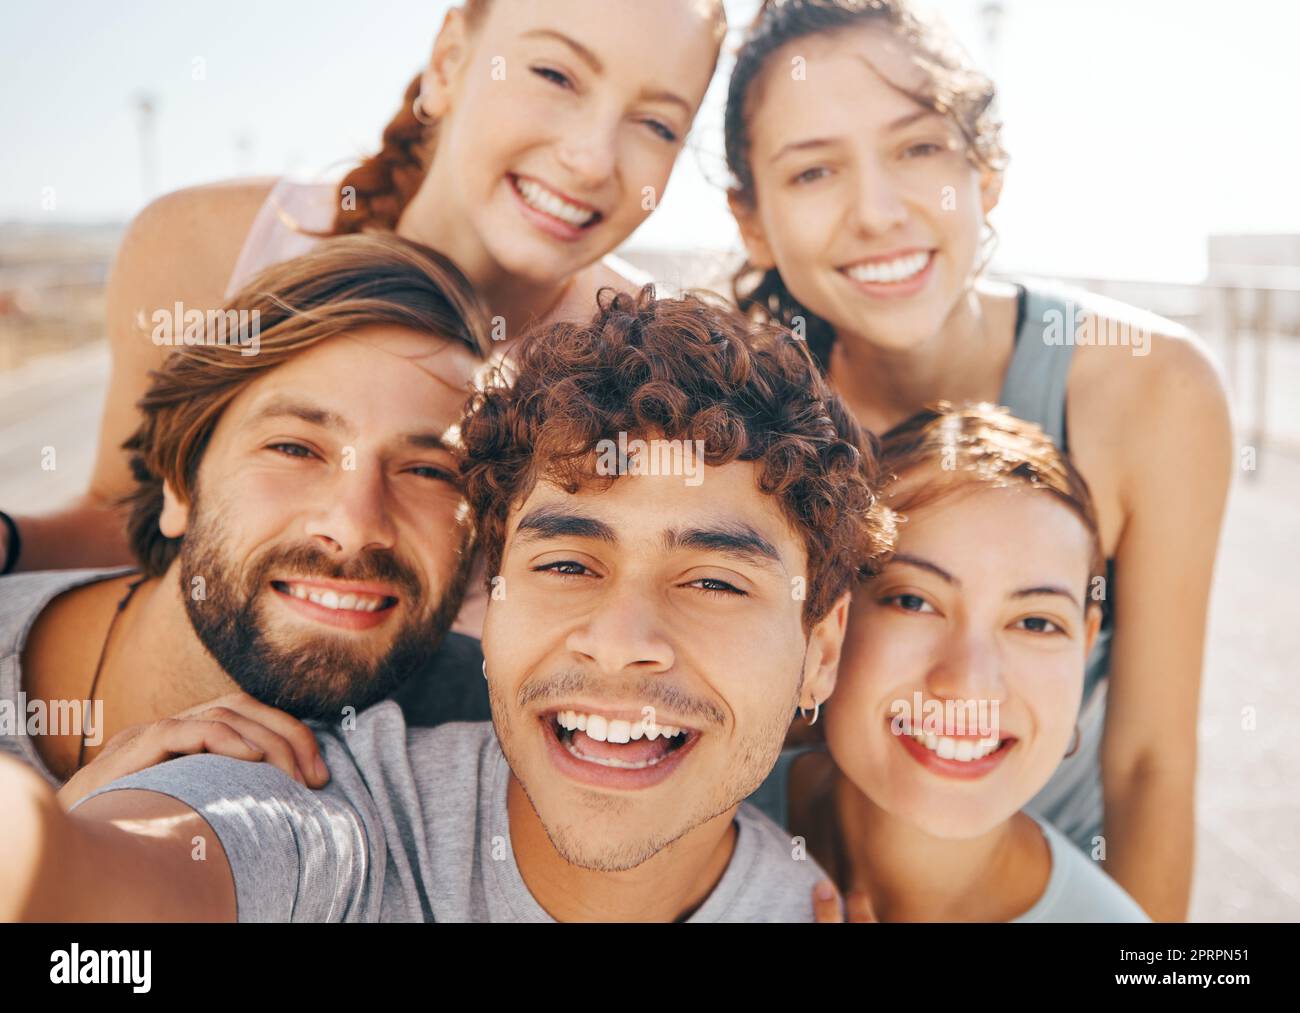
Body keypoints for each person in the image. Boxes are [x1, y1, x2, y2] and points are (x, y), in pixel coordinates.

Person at [0, 289, 893, 923]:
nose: (621, 643)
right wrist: (59, 865)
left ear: (820, 648)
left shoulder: (810, 899)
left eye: (714, 581)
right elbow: (112, 882)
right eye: (570, 563)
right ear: (493, 598)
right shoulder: (336, 818)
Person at [723, 0, 1231, 920]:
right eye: (814, 170)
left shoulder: (1150, 390)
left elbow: (1151, 756)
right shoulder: (746, 418)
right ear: (750, 221)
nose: (878, 211)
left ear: (984, 172)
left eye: (917, 149)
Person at [0, 0, 728, 584]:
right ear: (449, 61)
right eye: (555, 75)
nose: (593, 157)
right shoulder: (204, 248)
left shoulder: (648, 365)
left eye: (658, 123)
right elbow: (123, 522)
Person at [0, 233, 492, 806]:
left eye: (428, 471)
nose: (355, 527)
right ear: (180, 483)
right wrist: (67, 847)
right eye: (295, 449)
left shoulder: (501, 732)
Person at [755, 402, 1149, 922]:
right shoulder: (693, 816)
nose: (968, 685)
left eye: (1035, 623)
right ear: (828, 618)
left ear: (1085, 643)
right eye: (914, 601)